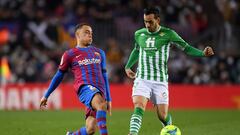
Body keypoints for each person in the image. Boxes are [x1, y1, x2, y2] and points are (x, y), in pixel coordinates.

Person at [125, 7, 214, 135]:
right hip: (142, 78)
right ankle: (132, 133)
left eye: (150, 21)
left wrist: (202, 53)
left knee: (162, 115)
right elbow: (137, 50)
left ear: (158, 20)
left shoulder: (169, 34)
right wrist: (128, 66)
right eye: (145, 21)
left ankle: (169, 126)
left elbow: (186, 48)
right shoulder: (139, 34)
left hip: (160, 81)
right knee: (139, 105)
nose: (147, 25)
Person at [40, 23, 112, 135]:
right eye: (86, 32)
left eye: (91, 33)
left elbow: (105, 76)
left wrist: (109, 98)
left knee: (90, 129)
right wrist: (46, 95)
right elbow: (59, 75)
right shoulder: (69, 54)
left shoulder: (100, 52)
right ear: (77, 35)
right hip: (84, 88)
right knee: (101, 104)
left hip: (99, 90)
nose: (90, 35)